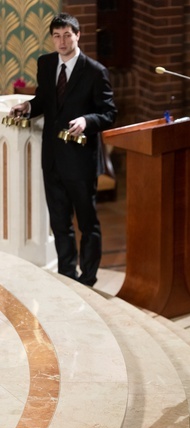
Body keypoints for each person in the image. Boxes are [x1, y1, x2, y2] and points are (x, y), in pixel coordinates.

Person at [10, 12, 117, 286]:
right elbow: (45, 100)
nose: (61, 41)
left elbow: (108, 113)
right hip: (53, 158)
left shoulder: (95, 71)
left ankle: (89, 278)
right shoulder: (46, 64)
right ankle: (67, 277)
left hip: (80, 160)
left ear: (77, 35)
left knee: (87, 223)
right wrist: (29, 107)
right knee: (60, 223)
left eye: (67, 35)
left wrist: (86, 120)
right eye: (56, 36)